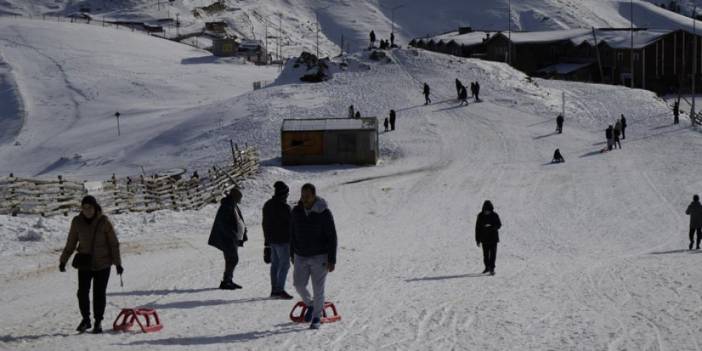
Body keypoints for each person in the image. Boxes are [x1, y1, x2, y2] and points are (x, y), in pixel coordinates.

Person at [59, 195, 122, 334]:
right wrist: (63, 260)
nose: (87, 210)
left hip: (103, 263)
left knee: (99, 293)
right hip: (85, 263)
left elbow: (113, 243)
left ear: (95, 207)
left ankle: (98, 321)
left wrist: (118, 263)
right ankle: (86, 319)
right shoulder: (77, 222)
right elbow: (71, 242)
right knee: (82, 293)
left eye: (90, 207)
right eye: (84, 208)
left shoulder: (104, 221)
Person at [291, 183, 338, 330]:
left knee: (318, 289)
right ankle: (311, 305)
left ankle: (316, 317)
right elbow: (291, 233)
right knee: (298, 285)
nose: (304, 199)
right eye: (302, 196)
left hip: (320, 256)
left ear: (314, 196)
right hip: (300, 255)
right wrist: (291, 252)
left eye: (307, 196)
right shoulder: (296, 211)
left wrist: (332, 259)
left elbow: (332, 236)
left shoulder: (324, 212)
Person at [208, 188, 247, 290]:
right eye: (239, 197)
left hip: (233, 239)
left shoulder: (233, 205)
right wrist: (232, 234)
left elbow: (238, 219)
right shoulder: (226, 206)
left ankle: (228, 280)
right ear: (235, 197)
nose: (240, 200)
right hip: (228, 239)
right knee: (233, 259)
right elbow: (222, 223)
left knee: (231, 259)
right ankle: (226, 281)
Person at [263, 182, 294, 299]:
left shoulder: (268, 205)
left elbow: (264, 224)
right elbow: (291, 225)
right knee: (285, 265)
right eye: (286, 193)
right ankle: (279, 289)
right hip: (283, 241)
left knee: (275, 265)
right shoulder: (284, 207)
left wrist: (266, 243)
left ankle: (274, 289)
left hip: (271, 240)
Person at [475, 200, 501, 275]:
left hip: (493, 239)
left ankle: (492, 268)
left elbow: (499, 225)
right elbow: (477, 228)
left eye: (488, 210)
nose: (486, 212)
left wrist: (492, 226)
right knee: (485, 255)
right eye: (485, 210)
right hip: (484, 239)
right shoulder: (480, 216)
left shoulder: (495, 215)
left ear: (491, 209)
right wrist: (477, 240)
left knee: (493, 254)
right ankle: (487, 267)